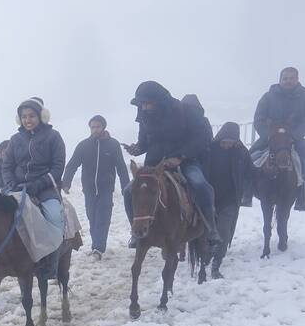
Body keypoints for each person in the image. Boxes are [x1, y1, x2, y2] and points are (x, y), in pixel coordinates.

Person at [123, 81, 220, 248]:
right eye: (142, 104)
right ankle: (137, 230)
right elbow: (144, 142)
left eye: (147, 103)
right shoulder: (144, 116)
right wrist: (136, 148)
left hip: (185, 161)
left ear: (158, 101)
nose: (144, 107)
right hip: (154, 165)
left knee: (200, 185)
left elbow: (200, 139)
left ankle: (211, 228)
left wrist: (180, 156)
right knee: (128, 191)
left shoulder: (184, 112)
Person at [2, 97, 66, 279]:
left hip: (45, 188)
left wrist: (38, 184)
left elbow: (57, 167)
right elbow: (6, 166)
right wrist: (11, 184)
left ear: (41, 116)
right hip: (16, 187)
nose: (27, 120)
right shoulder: (14, 140)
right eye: (24, 117)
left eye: (31, 116)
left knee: (54, 217)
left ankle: (50, 265)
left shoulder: (53, 137)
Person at [243, 67, 305, 211]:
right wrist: (269, 136)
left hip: (295, 138)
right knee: (249, 157)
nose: (288, 81)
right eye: (285, 78)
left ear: (297, 79)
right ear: (280, 80)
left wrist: (294, 136)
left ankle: (302, 198)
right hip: (271, 137)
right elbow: (258, 119)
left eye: (291, 78)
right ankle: (247, 193)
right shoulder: (268, 96)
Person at [61, 115, 129, 260]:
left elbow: (121, 167)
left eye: (98, 126)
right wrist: (66, 182)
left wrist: (126, 187)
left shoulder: (113, 144)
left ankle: (98, 248)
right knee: (92, 218)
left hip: (106, 188)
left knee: (103, 218)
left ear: (103, 127)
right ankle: (96, 244)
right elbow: (73, 164)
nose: (95, 129)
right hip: (89, 189)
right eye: (93, 127)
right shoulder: (84, 145)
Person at [208, 122, 252, 279]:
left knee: (224, 233)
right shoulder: (210, 150)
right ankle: (206, 255)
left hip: (230, 201)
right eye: (225, 141)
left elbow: (250, 172)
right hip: (210, 199)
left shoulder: (241, 152)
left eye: (231, 142)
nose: (227, 144)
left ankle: (216, 264)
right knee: (207, 231)